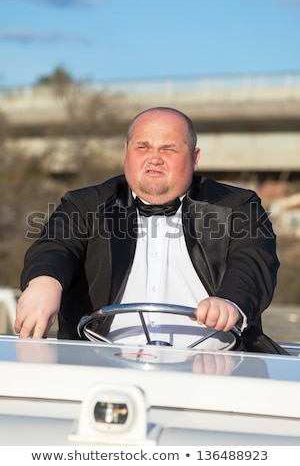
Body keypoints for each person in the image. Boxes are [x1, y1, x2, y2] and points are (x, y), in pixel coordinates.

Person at [15, 107, 285, 353]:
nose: (154, 158)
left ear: (194, 158)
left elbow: (253, 262)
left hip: (217, 365)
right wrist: (44, 281)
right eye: (143, 147)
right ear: (127, 151)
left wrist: (231, 301)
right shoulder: (84, 204)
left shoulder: (238, 205)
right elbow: (56, 246)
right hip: (99, 363)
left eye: (168, 149)